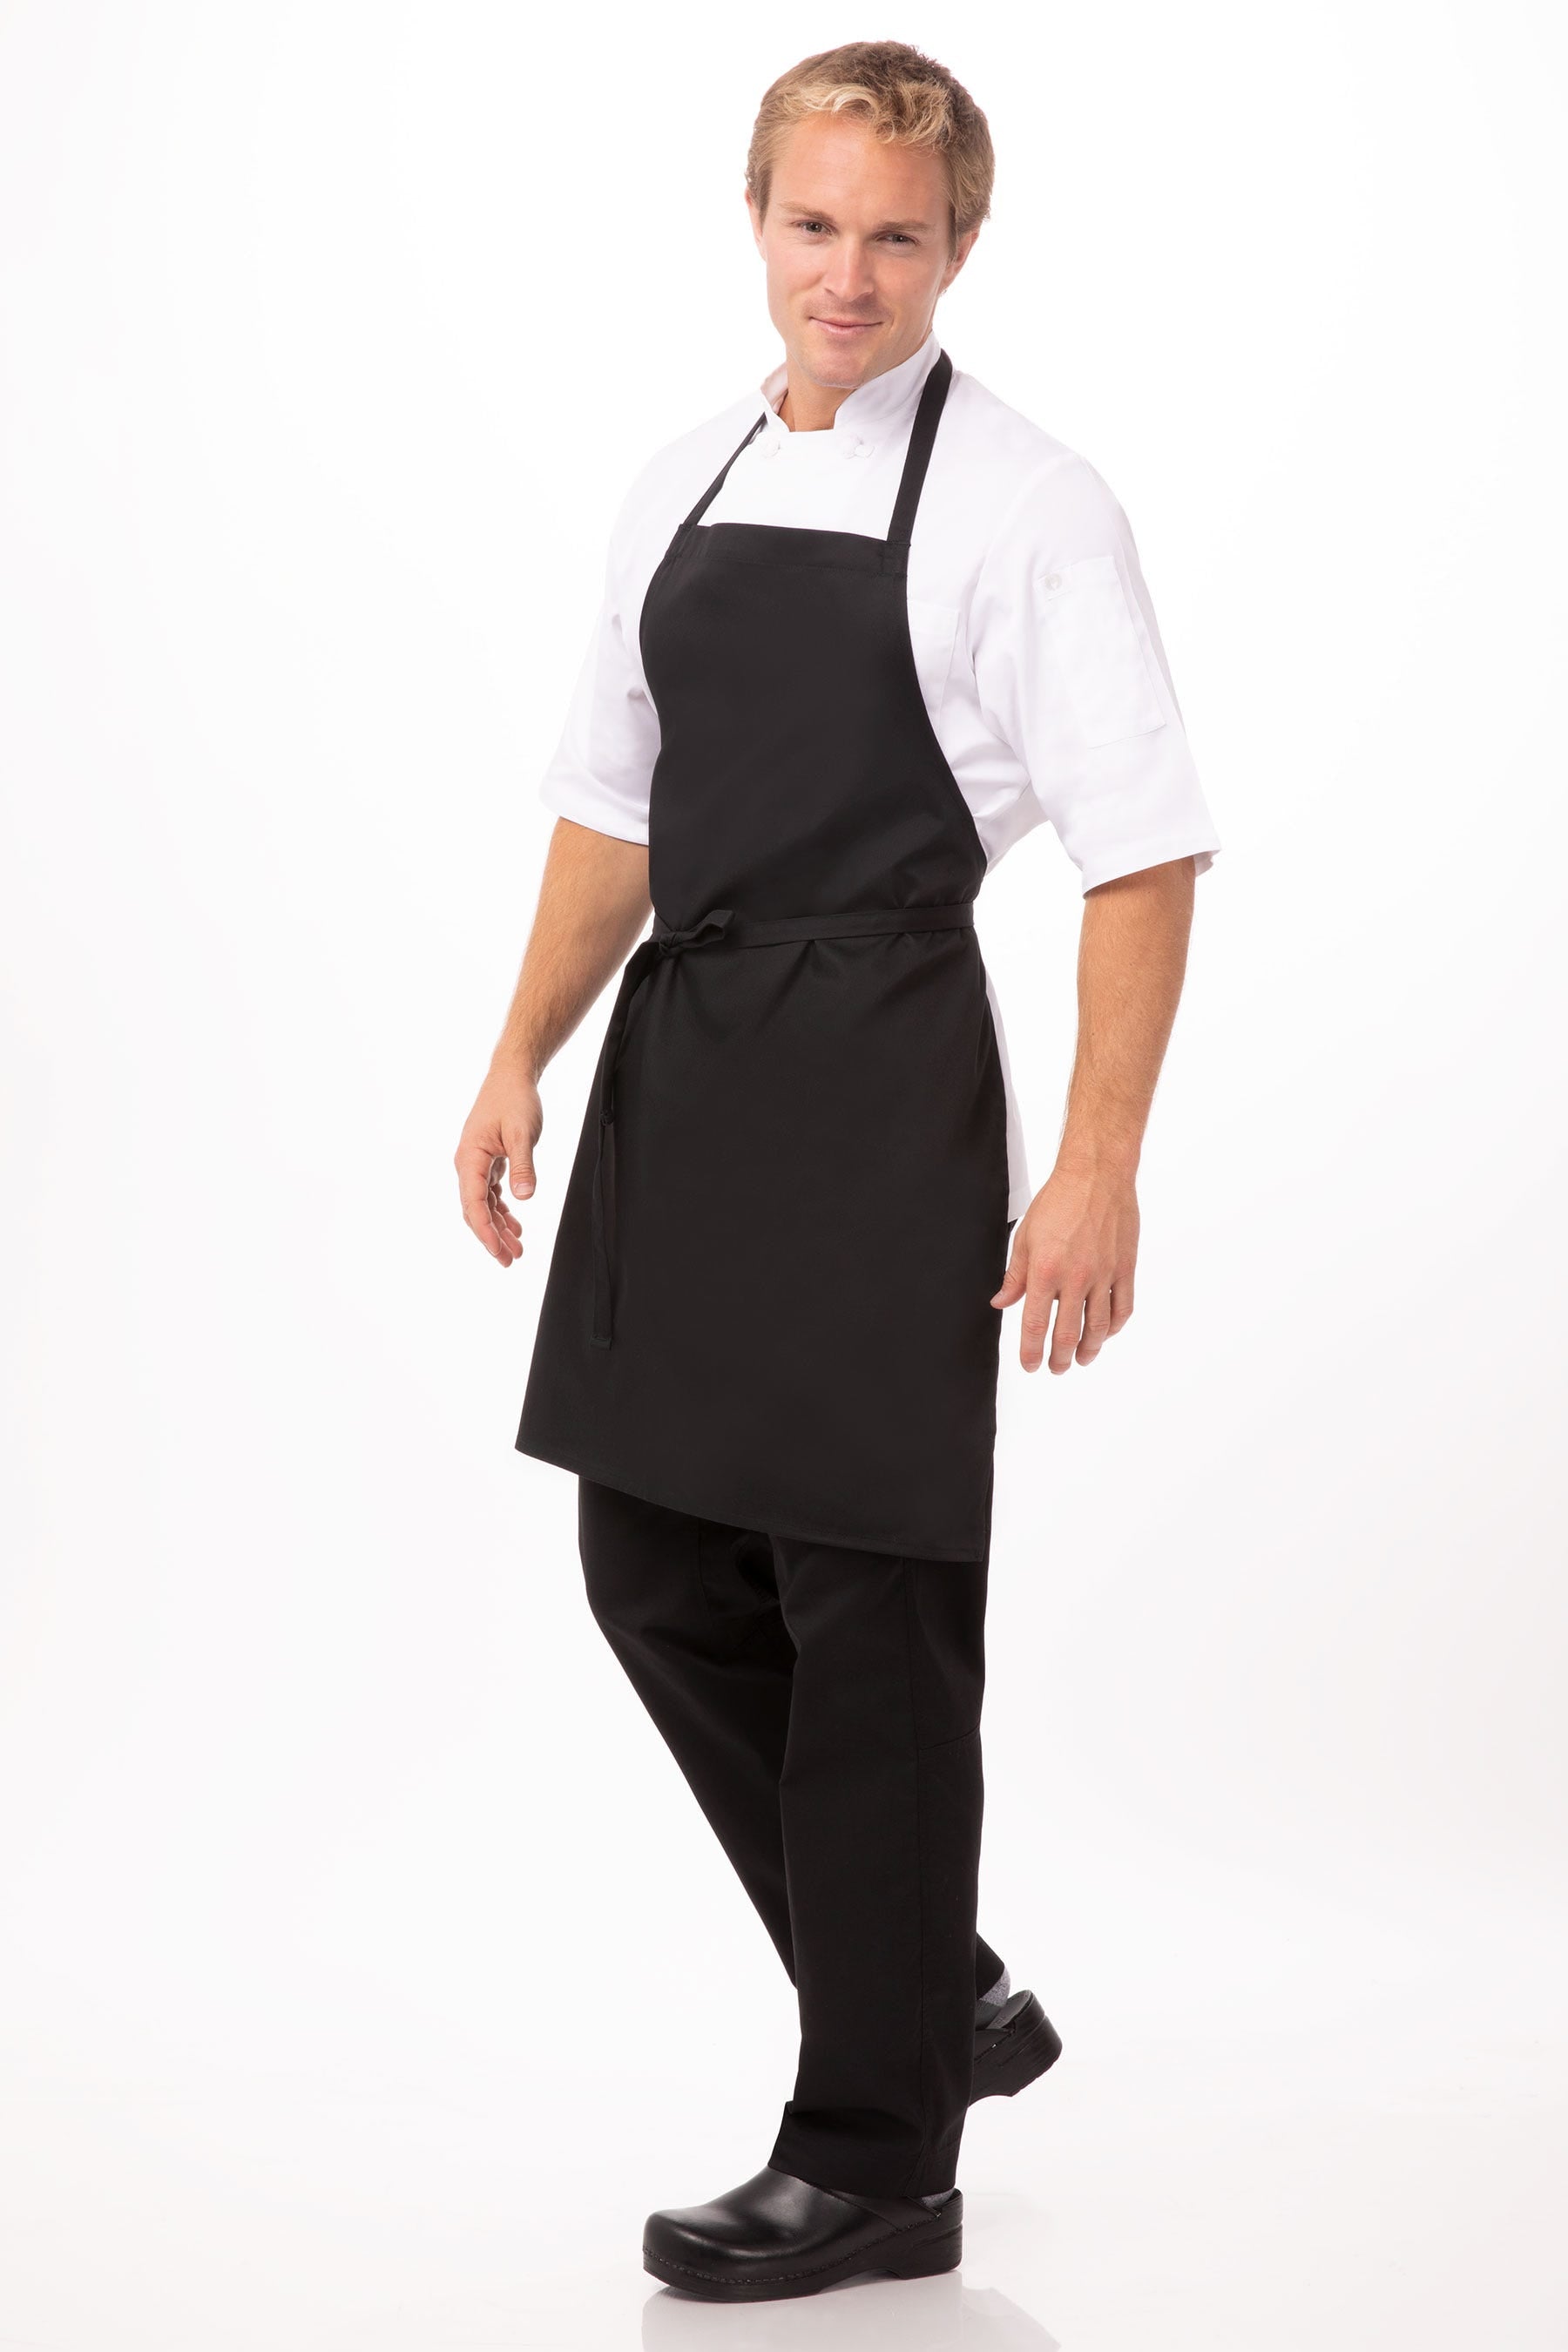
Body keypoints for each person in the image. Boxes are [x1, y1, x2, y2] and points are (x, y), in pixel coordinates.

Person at [456, 39, 1220, 2303]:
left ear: (962, 244)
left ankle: (879, 2151)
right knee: (650, 1559)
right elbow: (616, 808)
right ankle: (928, 1985)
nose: (849, 275)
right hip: (688, 1069)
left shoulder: (1029, 506)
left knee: (869, 1614)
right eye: (814, 225)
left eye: (897, 234)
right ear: (757, 222)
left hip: (883, 1082)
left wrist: (1098, 1167)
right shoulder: (680, 480)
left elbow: (1144, 848)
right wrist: (514, 1052)